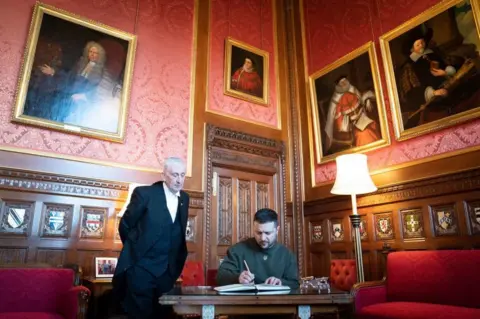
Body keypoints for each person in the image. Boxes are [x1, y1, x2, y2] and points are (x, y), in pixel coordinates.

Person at [112, 157, 189, 319]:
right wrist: (136, 251)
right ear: (164, 175)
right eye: (175, 175)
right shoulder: (144, 193)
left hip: (167, 273)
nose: (179, 180)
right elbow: (125, 225)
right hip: (141, 269)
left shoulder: (185, 199)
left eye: (182, 175)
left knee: (162, 315)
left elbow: (177, 233)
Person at [216, 208, 299, 288]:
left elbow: (295, 283)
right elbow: (220, 277)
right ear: (253, 228)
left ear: (277, 230)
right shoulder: (237, 250)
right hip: (245, 301)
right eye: (258, 233)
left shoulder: (287, 254)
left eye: (267, 233)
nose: (262, 238)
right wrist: (238, 278)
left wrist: (280, 282)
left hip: (276, 301)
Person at [324, 75, 380, 153]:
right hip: (351, 129)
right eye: (341, 83)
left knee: (372, 126)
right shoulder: (336, 101)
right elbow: (339, 126)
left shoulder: (352, 89)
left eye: (345, 81)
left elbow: (362, 99)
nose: (344, 84)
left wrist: (367, 99)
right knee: (363, 134)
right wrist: (350, 121)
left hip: (363, 119)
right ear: (338, 86)